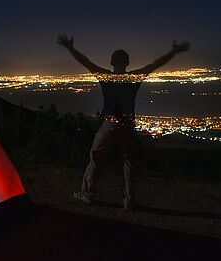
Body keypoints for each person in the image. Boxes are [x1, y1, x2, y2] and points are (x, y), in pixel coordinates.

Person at [57, 34, 190, 210]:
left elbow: (86, 62)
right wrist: (174, 51)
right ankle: (129, 200)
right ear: (127, 63)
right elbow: (155, 64)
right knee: (128, 163)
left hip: (110, 123)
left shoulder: (106, 77)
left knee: (96, 157)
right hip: (128, 124)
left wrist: (70, 48)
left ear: (111, 62)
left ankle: (88, 194)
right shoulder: (134, 78)